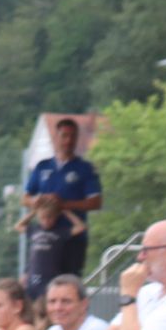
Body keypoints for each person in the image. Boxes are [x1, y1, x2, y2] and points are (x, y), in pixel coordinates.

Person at [21, 117, 103, 290]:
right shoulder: (42, 167)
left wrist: (64, 205)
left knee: (67, 285)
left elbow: (95, 202)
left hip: (72, 236)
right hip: (44, 238)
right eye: (64, 136)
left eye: (73, 136)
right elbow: (25, 198)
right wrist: (38, 201)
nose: (68, 140)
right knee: (37, 287)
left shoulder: (84, 168)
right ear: (56, 137)